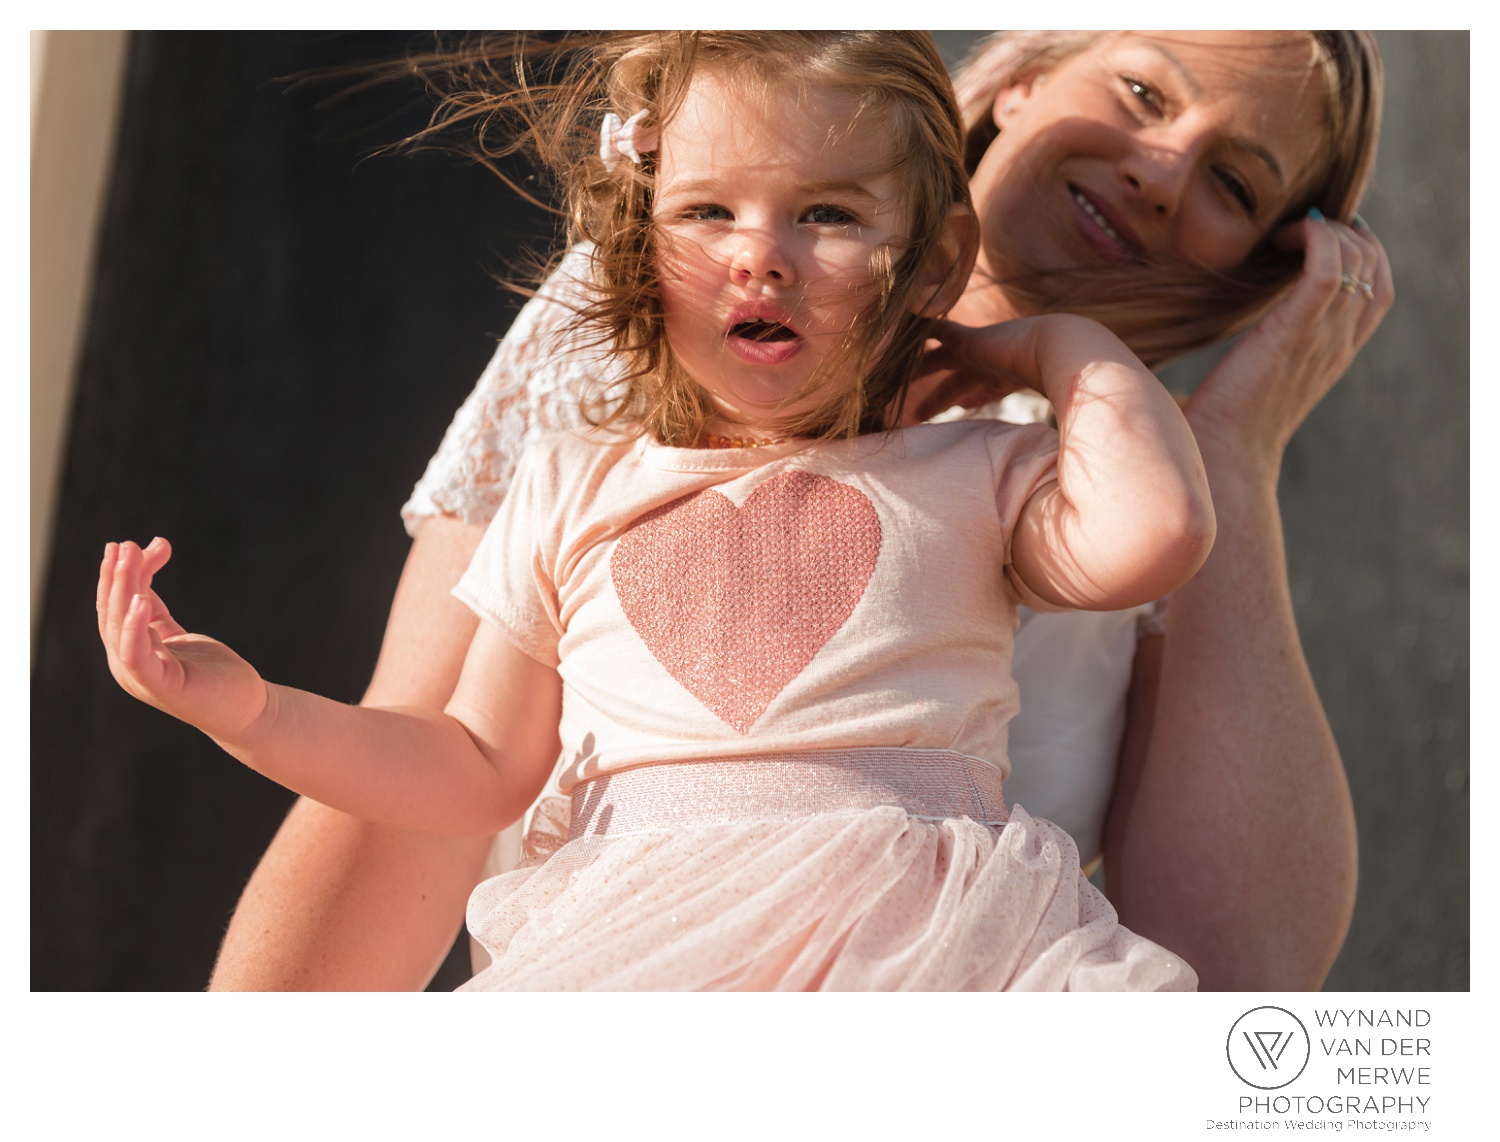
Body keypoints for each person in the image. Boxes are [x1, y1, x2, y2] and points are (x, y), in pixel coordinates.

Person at [208, 30, 1392, 991]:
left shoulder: (1124, 486)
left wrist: (1234, 448)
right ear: (1027, 75)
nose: (1164, 170)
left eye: (1233, 182)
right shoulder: (643, 315)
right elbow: (421, 762)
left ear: (1257, 263)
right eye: (1143, 91)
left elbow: (1249, 991)